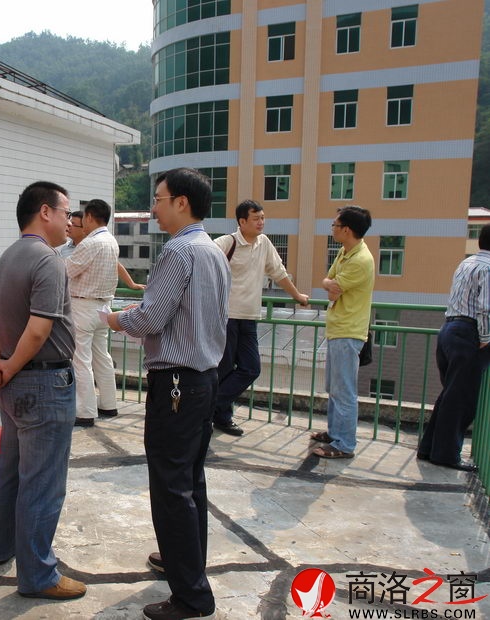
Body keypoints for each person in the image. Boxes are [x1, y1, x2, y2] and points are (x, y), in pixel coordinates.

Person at [106, 168, 228, 620]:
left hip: (176, 381)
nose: (153, 208)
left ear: (181, 202)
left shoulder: (178, 250)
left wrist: (115, 319)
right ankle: (185, 563)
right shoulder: (212, 249)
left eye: (157, 199)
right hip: (203, 379)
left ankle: (191, 596)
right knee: (190, 481)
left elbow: (151, 318)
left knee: (171, 487)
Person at [0, 181, 85, 601]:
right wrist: (7, 365)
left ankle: (3, 548)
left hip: (13, 383)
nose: (70, 221)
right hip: (43, 383)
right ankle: (39, 575)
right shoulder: (48, 260)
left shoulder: (6, 258)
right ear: (45, 212)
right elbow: (40, 329)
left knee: (11, 471)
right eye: (66, 212)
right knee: (42, 483)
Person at [211, 200, 309, 436]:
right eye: (256, 219)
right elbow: (203, 262)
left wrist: (297, 296)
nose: (261, 223)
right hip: (226, 317)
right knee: (224, 370)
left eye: (263, 218)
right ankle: (222, 418)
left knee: (251, 368)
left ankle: (208, 406)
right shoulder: (226, 243)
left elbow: (279, 272)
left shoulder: (264, 243)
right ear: (242, 221)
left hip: (249, 317)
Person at [417, 224, 490, 472]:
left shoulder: (467, 263)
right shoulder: (488, 268)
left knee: (451, 394)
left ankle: (430, 448)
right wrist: (486, 337)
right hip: (469, 333)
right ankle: (447, 455)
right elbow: (486, 307)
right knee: (461, 400)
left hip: (449, 329)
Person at [312, 205, 374, 459]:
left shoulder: (360, 260)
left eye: (335, 225)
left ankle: (345, 444)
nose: (333, 229)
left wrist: (330, 284)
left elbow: (332, 288)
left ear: (346, 229)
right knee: (334, 387)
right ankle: (334, 433)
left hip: (348, 331)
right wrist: (330, 284)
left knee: (344, 390)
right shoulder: (345, 252)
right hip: (338, 328)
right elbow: (329, 282)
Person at [66, 199, 122, 428]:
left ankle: (85, 411)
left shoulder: (90, 243)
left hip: (83, 306)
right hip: (104, 307)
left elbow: (67, 270)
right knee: (102, 357)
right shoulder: (112, 241)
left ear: (89, 217)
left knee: (81, 360)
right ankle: (109, 404)